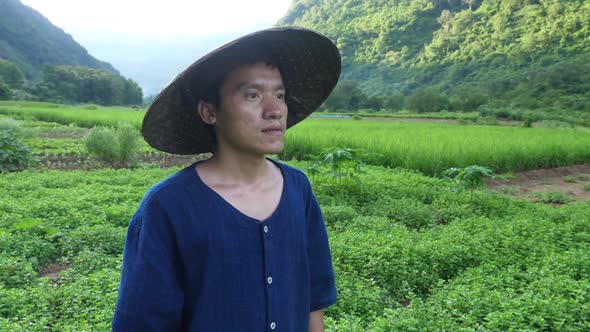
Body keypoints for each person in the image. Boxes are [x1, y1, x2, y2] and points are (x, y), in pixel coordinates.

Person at [111, 27, 341, 331]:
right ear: (209, 112)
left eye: (280, 95)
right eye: (253, 95)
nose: (274, 111)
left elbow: (313, 303)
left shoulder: (298, 189)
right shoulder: (168, 207)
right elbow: (144, 322)